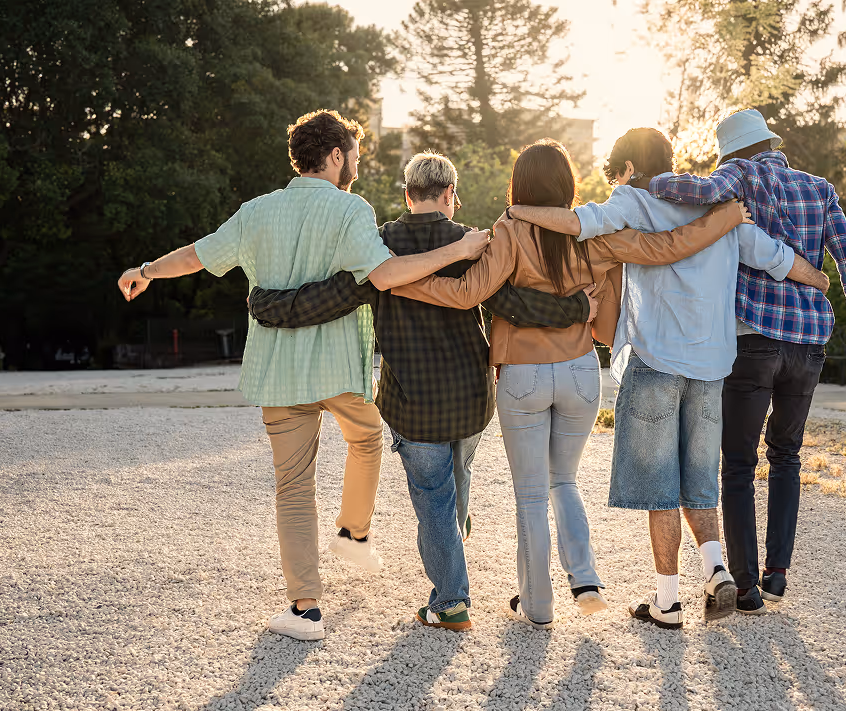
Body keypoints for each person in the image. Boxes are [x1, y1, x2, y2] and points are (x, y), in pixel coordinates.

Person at [117, 109, 491, 642]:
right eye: (355, 157)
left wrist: (146, 270)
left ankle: (306, 608)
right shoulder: (350, 210)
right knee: (366, 438)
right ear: (336, 155)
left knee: (292, 487)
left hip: (278, 373)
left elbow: (199, 255)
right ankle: (354, 532)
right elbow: (384, 276)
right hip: (340, 369)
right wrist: (458, 249)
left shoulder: (256, 211)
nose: (357, 167)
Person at [393, 139, 749, 629]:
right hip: (583, 372)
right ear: (567, 186)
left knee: (531, 496)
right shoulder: (593, 233)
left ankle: (538, 606)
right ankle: (585, 580)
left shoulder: (510, 231)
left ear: (519, 186)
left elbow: (466, 294)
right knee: (565, 481)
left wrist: (399, 283)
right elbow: (666, 248)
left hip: (522, 375)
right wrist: (725, 219)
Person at [246, 151, 596, 631]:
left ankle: (451, 602)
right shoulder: (471, 242)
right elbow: (511, 303)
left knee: (433, 498)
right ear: (450, 194)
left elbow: (332, 297)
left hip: (413, 399)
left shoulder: (382, 247)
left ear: (406, 194)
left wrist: (270, 305)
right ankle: (457, 527)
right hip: (471, 397)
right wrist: (578, 308)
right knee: (460, 469)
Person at [508, 127, 829, 629]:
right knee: (699, 481)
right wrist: (821, 280)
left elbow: (575, 222)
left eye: (617, 172)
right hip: (713, 366)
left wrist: (521, 211)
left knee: (660, 487)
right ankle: (717, 569)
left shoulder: (632, 200)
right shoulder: (716, 208)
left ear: (630, 169)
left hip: (657, 361)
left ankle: (668, 602)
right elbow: (774, 257)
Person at [631, 109, 846, 612]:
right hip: (809, 343)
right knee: (787, 455)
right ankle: (778, 572)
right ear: (769, 141)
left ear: (734, 152)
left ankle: (743, 586)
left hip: (754, 341)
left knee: (739, 463)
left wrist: (645, 178)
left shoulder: (739, 176)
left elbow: (697, 193)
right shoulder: (820, 189)